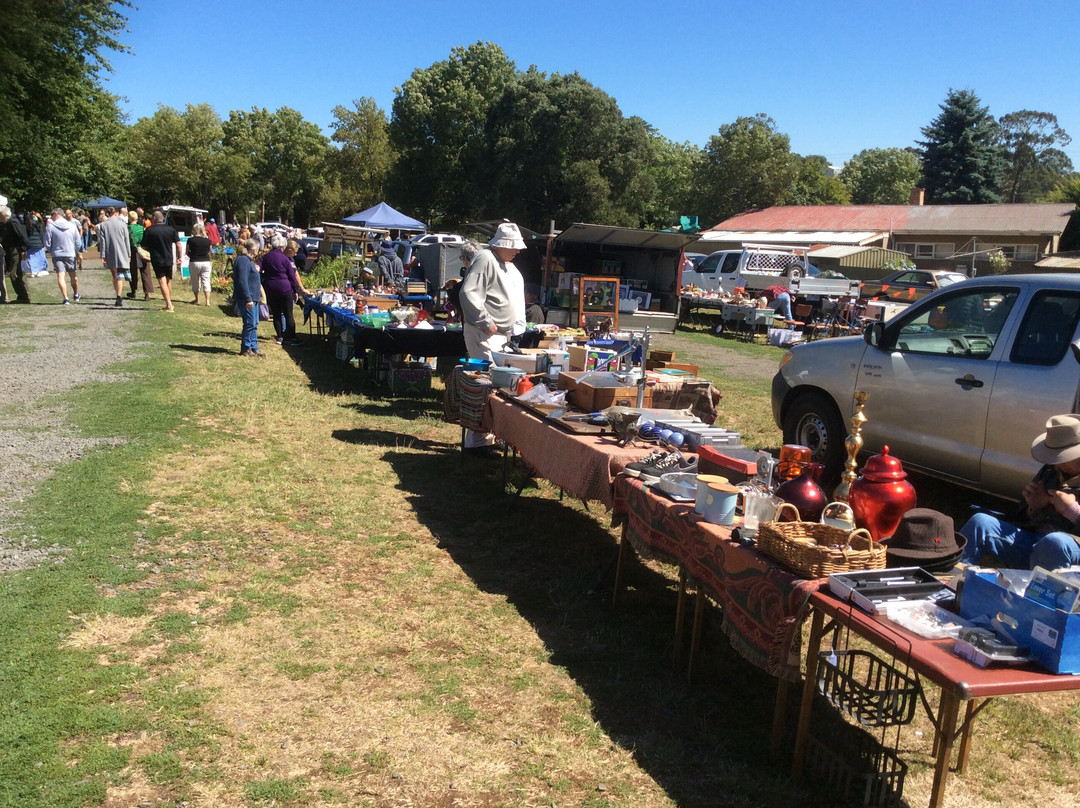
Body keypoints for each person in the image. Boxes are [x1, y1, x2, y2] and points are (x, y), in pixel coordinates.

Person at [960, 414, 1080, 570]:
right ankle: (952, 584)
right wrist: (1033, 508)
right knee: (980, 522)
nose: (1060, 464)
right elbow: (1021, 518)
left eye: (1065, 457)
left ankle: (1040, 593)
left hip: (1065, 549)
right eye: (1057, 458)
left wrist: (1072, 510)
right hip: (1035, 544)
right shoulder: (1052, 470)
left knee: (1053, 543)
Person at [458, 222, 527, 457]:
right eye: (514, 246)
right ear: (503, 244)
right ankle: (477, 443)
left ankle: (482, 439)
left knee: (492, 387)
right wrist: (487, 322)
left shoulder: (499, 262)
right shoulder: (485, 258)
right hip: (484, 333)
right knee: (488, 387)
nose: (517, 251)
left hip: (494, 335)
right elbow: (469, 293)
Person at [260, 233, 301, 346]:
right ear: (282, 247)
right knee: (288, 314)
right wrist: (295, 290)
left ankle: (279, 337)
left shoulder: (266, 257)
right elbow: (291, 276)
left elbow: (259, 269)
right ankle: (292, 338)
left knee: (276, 314)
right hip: (284, 287)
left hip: (271, 288)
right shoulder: (285, 259)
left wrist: (263, 279)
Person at [141, 211, 180, 311]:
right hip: (169, 258)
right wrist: (180, 257)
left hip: (157, 258)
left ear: (154, 218)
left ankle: (169, 304)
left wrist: (150, 250)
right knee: (168, 281)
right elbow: (178, 244)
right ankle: (169, 302)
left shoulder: (149, 230)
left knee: (162, 281)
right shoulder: (170, 229)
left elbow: (143, 246)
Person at [96, 206, 131, 307]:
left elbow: (102, 242)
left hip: (109, 252)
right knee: (119, 274)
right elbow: (126, 240)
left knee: (114, 274)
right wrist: (129, 253)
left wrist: (102, 255)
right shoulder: (123, 224)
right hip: (122, 251)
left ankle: (118, 294)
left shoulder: (103, 225)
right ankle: (119, 295)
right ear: (115, 213)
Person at [233, 238, 263, 357]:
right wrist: (248, 299)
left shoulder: (248, 261)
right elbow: (242, 280)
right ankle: (246, 348)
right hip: (247, 298)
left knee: (254, 323)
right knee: (249, 323)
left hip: (253, 297)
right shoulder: (243, 260)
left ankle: (254, 346)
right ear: (254, 249)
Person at [45, 208, 82, 304]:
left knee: (60, 276)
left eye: (52, 215)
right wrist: (75, 251)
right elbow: (78, 242)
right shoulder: (72, 225)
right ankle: (76, 294)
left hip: (57, 254)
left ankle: (65, 298)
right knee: (73, 275)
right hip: (70, 253)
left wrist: (51, 251)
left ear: (56, 215)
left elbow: (47, 242)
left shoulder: (50, 226)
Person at [0, 205, 31, 303]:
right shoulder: (8, 223)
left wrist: (23, 250)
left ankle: (23, 296)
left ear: (3, 215)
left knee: (14, 273)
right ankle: (23, 296)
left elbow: (24, 238)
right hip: (13, 249)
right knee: (19, 273)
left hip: (16, 250)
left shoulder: (13, 223)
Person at [127, 210, 154, 300]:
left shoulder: (128, 228)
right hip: (142, 250)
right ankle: (147, 293)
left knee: (133, 272)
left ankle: (133, 291)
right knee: (145, 272)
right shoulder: (142, 228)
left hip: (132, 250)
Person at [186, 221, 213, 306]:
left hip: (194, 261)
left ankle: (197, 300)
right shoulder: (208, 241)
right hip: (206, 262)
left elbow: (187, 252)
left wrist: (192, 255)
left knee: (195, 281)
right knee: (206, 280)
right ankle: (207, 301)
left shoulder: (190, 240)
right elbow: (209, 252)